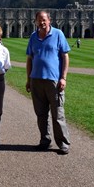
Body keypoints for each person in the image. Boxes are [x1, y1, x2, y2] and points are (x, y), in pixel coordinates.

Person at [26, 11, 71, 155]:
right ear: (36, 22)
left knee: (57, 113)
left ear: (49, 20)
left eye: (44, 20)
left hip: (53, 81)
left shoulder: (58, 34)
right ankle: (45, 141)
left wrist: (63, 77)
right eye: (39, 20)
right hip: (36, 80)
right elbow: (29, 59)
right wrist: (28, 79)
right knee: (41, 114)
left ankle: (63, 143)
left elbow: (65, 57)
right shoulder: (33, 37)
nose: (41, 22)